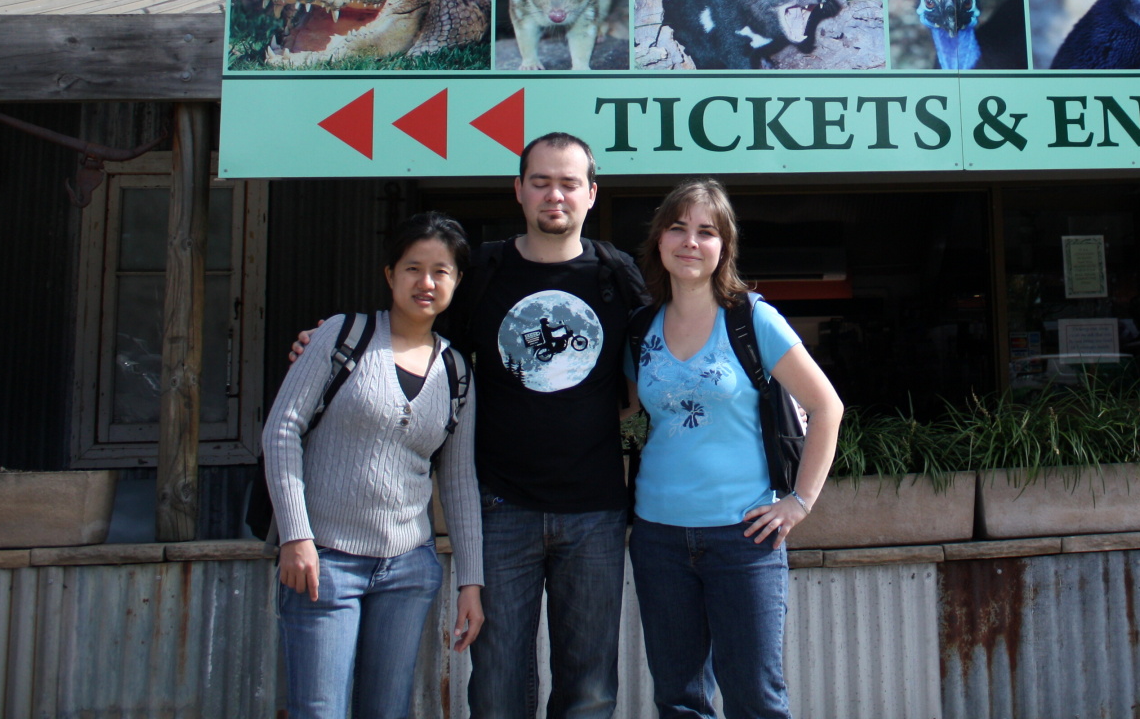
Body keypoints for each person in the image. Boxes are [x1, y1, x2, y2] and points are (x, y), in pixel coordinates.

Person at [290, 132, 645, 719]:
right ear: (519, 190)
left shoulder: (616, 273)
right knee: (497, 681)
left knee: (589, 685)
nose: (554, 195)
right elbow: (412, 333)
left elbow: (658, 355)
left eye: (569, 183)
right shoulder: (483, 268)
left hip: (595, 509)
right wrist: (325, 340)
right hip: (499, 505)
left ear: (590, 193)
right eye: (541, 181)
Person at [625, 178, 844, 719]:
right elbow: (621, 410)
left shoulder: (751, 319)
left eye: (706, 231)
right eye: (678, 228)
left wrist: (800, 502)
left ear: (724, 246)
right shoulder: (640, 328)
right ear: (659, 240)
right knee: (679, 699)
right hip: (658, 537)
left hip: (744, 538)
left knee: (755, 698)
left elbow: (827, 407)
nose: (690, 242)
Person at [264, 211, 485, 718]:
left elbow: (458, 482)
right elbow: (282, 431)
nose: (425, 282)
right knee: (320, 710)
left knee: (386, 711)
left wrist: (470, 582)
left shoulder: (456, 371)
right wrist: (297, 537)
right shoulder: (344, 336)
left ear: (456, 281)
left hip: (408, 567)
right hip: (326, 561)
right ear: (390, 275)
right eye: (412, 268)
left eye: (441, 271)